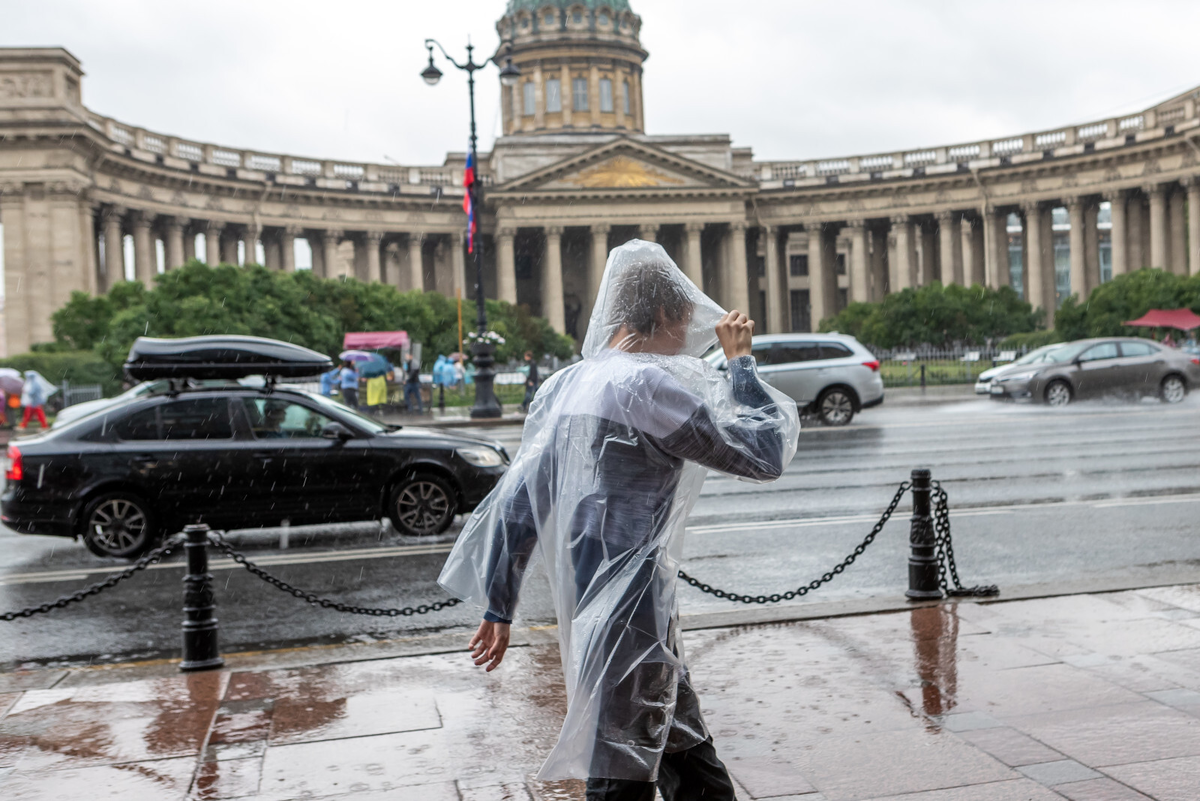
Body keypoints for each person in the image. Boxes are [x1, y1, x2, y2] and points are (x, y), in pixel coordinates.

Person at [439, 241, 799, 799]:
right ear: (661, 315)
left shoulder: (565, 384)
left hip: (595, 594)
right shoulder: (645, 386)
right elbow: (762, 454)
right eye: (684, 320)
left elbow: (519, 504)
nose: (687, 337)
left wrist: (498, 602)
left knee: (678, 741)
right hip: (635, 603)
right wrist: (741, 364)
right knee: (621, 764)